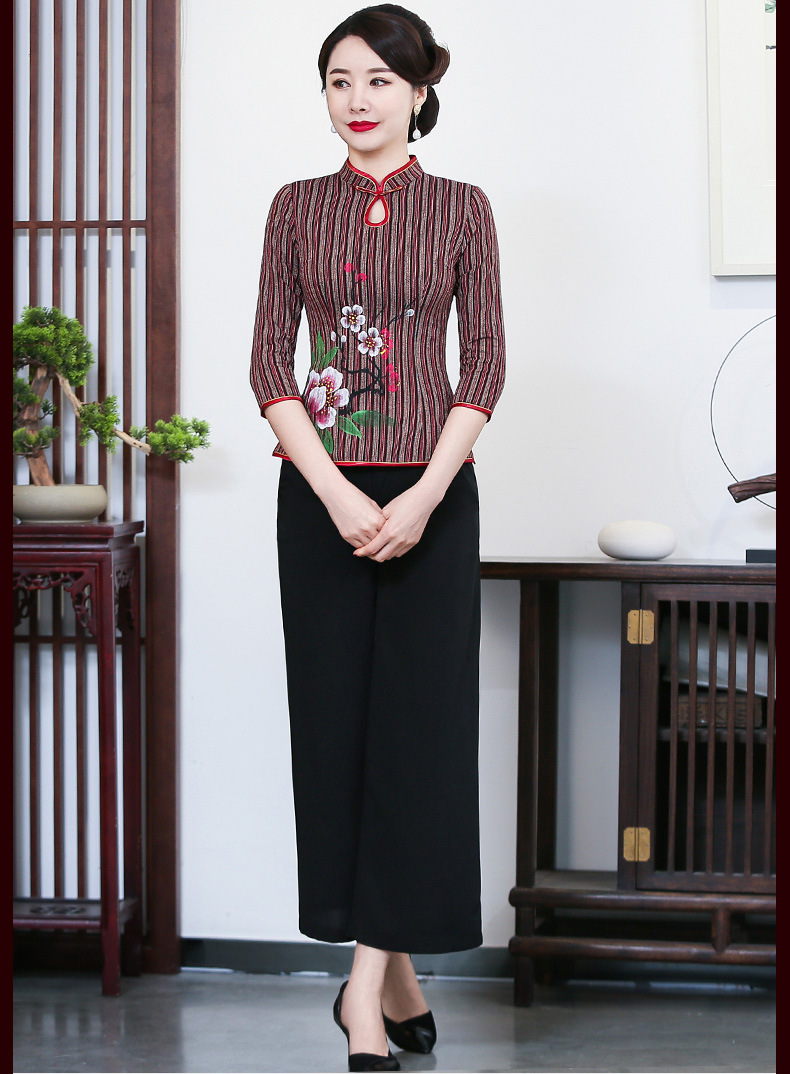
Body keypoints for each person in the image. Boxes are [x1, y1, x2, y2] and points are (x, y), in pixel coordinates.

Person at [250, 5, 506, 1071]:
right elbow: (269, 363)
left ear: (418, 92)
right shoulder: (295, 207)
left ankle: (361, 995)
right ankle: (393, 975)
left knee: (419, 739)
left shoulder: (461, 207)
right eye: (339, 81)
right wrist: (336, 493)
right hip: (320, 496)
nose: (357, 100)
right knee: (337, 732)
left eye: (379, 81)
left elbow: (483, 363)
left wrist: (423, 496)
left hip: (432, 496)